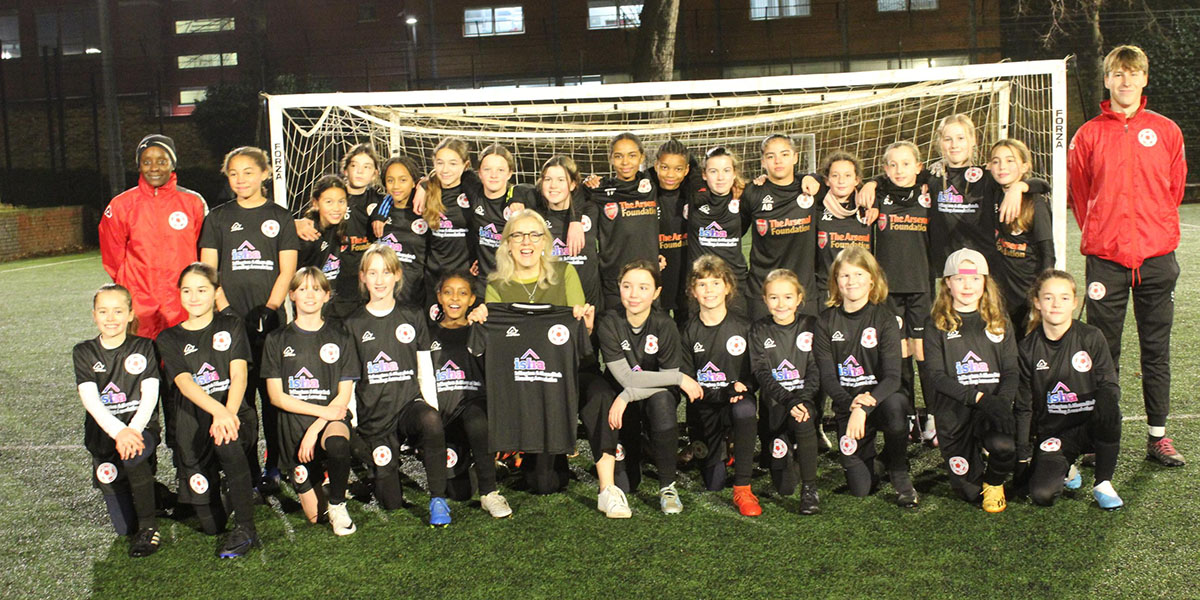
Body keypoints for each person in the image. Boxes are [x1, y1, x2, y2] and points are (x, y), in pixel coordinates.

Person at [1067, 44, 1187, 467]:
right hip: (1107, 260)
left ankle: (1158, 437)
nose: (1126, 81)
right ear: (1107, 79)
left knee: (1156, 351)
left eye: (1133, 73)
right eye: (1118, 73)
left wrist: (1151, 231)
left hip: (1156, 259)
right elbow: (1080, 196)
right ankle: (1101, 435)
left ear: (1144, 78)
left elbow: (1174, 190)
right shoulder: (1088, 135)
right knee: (1104, 352)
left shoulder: (1167, 131)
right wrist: (1105, 233)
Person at [469, 211, 595, 494]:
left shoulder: (566, 273)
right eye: (518, 235)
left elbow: (578, 337)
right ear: (507, 244)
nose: (526, 242)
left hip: (555, 380)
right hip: (517, 382)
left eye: (534, 235)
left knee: (546, 484)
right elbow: (494, 342)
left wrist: (583, 323)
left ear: (544, 242)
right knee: (538, 483)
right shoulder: (497, 283)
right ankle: (515, 449)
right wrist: (480, 319)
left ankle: (547, 447)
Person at [199, 146, 299, 492]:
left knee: (271, 397)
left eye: (248, 172)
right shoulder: (217, 217)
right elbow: (209, 269)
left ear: (265, 174)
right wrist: (225, 310)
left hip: (270, 325)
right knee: (238, 401)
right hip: (229, 324)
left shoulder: (281, 217)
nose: (241, 179)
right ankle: (247, 467)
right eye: (234, 173)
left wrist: (270, 309)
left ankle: (274, 465)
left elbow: (287, 270)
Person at [342, 244, 452, 527]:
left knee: (429, 420)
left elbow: (425, 368)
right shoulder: (352, 324)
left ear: (397, 275)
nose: (380, 280)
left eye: (386, 272)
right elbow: (349, 379)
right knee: (390, 502)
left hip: (408, 407)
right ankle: (380, 470)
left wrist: (434, 412)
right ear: (363, 277)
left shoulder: (413, 315)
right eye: (373, 273)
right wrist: (352, 424)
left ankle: (438, 499)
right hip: (374, 418)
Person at [156, 263, 259, 556]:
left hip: (235, 413)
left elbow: (239, 375)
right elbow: (185, 384)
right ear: (179, 294)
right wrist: (218, 412)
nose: (194, 297)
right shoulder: (169, 338)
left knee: (226, 441)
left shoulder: (231, 325)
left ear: (216, 292)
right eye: (187, 291)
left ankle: (246, 529)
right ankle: (226, 490)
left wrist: (228, 413)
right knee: (211, 524)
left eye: (202, 290)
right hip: (195, 422)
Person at [592, 259, 703, 515]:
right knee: (627, 484)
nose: (634, 295)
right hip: (622, 399)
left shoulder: (665, 325)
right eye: (627, 286)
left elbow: (661, 380)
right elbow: (628, 378)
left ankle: (667, 486)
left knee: (663, 400)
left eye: (643, 288)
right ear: (618, 288)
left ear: (656, 293)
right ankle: (636, 448)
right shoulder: (608, 322)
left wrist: (627, 395)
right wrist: (678, 379)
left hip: (647, 397)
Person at [814, 246, 917, 507]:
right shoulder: (825, 322)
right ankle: (878, 461)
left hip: (880, 403)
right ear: (836, 281)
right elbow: (828, 379)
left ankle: (898, 469)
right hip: (847, 407)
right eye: (845, 276)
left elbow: (893, 378)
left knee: (896, 405)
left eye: (859, 275)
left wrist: (864, 405)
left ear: (872, 279)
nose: (852, 282)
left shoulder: (884, 320)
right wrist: (852, 405)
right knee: (861, 488)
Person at [1016, 270, 1124, 509]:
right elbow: (1024, 405)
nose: (1056, 304)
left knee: (1108, 401)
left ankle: (1103, 482)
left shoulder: (1091, 337)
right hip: (1056, 433)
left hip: (1091, 426)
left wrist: (1105, 409)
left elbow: (1109, 383)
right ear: (1037, 302)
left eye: (1064, 298)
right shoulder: (1026, 349)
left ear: (1075, 303)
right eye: (1048, 297)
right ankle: (1068, 468)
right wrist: (1023, 455)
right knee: (1042, 495)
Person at [262, 268, 358, 534]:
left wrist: (315, 429)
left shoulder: (341, 338)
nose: (309, 295)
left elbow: (343, 398)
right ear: (291, 295)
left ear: (327, 296)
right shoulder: (276, 340)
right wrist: (315, 420)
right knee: (316, 517)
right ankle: (326, 483)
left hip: (329, 421)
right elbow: (276, 397)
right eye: (302, 289)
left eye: (316, 289)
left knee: (337, 443)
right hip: (293, 428)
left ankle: (338, 504)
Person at [921, 249, 1017, 512]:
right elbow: (937, 377)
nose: (967, 285)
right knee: (970, 492)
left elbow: (1011, 371)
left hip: (991, 406)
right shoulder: (935, 325)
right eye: (960, 278)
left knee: (1005, 448)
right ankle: (972, 458)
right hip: (954, 412)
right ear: (948, 283)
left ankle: (995, 480)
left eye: (975, 278)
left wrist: (1001, 404)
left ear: (985, 283)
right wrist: (979, 399)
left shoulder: (999, 320)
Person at [73, 284, 163, 557]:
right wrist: (118, 432)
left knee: (133, 454)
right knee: (123, 527)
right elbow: (90, 400)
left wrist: (132, 431)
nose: (110, 318)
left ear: (130, 314)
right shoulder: (84, 351)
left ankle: (149, 528)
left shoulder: (144, 346)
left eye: (117, 311)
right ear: (94, 315)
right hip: (104, 434)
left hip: (140, 430)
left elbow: (150, 397)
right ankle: (157, 494)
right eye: (103, 311)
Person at [99, 134, 207, 339]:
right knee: (143, 360)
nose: (154, 167)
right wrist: (131, 285)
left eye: (161, 161)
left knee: (183, 359)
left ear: (172, 164)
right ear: (139, 166)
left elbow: (204, 252)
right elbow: (112, 255)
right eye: (146, 162)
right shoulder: (121, 205)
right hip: (140, 300)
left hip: (182, 298)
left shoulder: (193, 203)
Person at [680, 255, 761, 516]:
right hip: (704, 409)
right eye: (702, 285)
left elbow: (754, 376)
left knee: (745, 410)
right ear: (693, 291)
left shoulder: (744, 327)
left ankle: (743, 487)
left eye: (716, 283)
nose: (709, 290)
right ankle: (725, 447)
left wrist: (744, 388)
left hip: (736, 403)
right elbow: (690, 384)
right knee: (713, 484)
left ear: (727, 287)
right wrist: (725, 391)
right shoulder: (687, 331)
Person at [430, 271, 512, 517]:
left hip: (473, 407)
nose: (455, 298)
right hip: (444, 417)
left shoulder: (480, 331)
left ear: (472, 299)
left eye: (462, 293)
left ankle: (490, 493)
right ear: (439, 298)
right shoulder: (427, 333)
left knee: (476, 419)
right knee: (459, 492)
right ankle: (475, 461)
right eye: (448, 292)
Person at [748, 269, 821, 514]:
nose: (781, 304)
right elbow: (761, 373)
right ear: (765, 300)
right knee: (785, 487)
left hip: (803, 403)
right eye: (774, 297)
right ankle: (784, 448)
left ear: (799, 298)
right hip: (776, 407)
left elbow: (816, 369)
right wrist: (788, 400)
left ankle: (810, 490)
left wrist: (801, 399)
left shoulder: (811, 325)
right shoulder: (758, 330)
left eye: (788, 297)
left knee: (804, 418)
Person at [740, 134, 819, 320]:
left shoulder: (812, 188)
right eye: (770, 156)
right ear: (763, 161)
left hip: (804, 290)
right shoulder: (753, 192)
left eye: (784, 154)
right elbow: (734, 234)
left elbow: (840, 181)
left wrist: (813, 177)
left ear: (795, 157)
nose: (778, 161)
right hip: (763, 291)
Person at [584, 133, 661, 311]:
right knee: (614, 331)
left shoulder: (652, 183)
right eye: (619, 156)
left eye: (632, 155)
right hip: (614, 278)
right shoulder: (599, 189)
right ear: (611, 158)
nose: (625, 162)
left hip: (648, 277)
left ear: (642, 157)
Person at [989, 139, 1054, 336]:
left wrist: (1042, 294)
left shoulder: (1035, 203)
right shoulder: (992, 193)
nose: (1002, 167)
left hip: (1028, 294)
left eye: (1010, 161)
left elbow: (1048, 255)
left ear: (1025, 166)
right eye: (996, 161)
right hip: (1002, 294)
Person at [687, 146, 751, 315]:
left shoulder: (746, 197)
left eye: (726, 170)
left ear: (734, 172)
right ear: (704, 174)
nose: (721, 177)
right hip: (702, 283)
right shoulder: (692, 195)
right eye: (713, 171)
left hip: (734, 283)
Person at [373, 155, 431, 307]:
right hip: (381, 300)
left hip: (415, 299)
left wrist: (425, 184)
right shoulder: (378, 212)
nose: (396, 186)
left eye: (403, 180)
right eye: (390, 180)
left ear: (414, 182)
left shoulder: (425, 211)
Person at [297, 175, 350, 314]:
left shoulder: (340, 228)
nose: (336, 208)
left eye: (341, 201)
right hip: (310, 309)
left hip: (332, 306)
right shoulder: (308, 235)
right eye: (329, 202)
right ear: (315, 203)